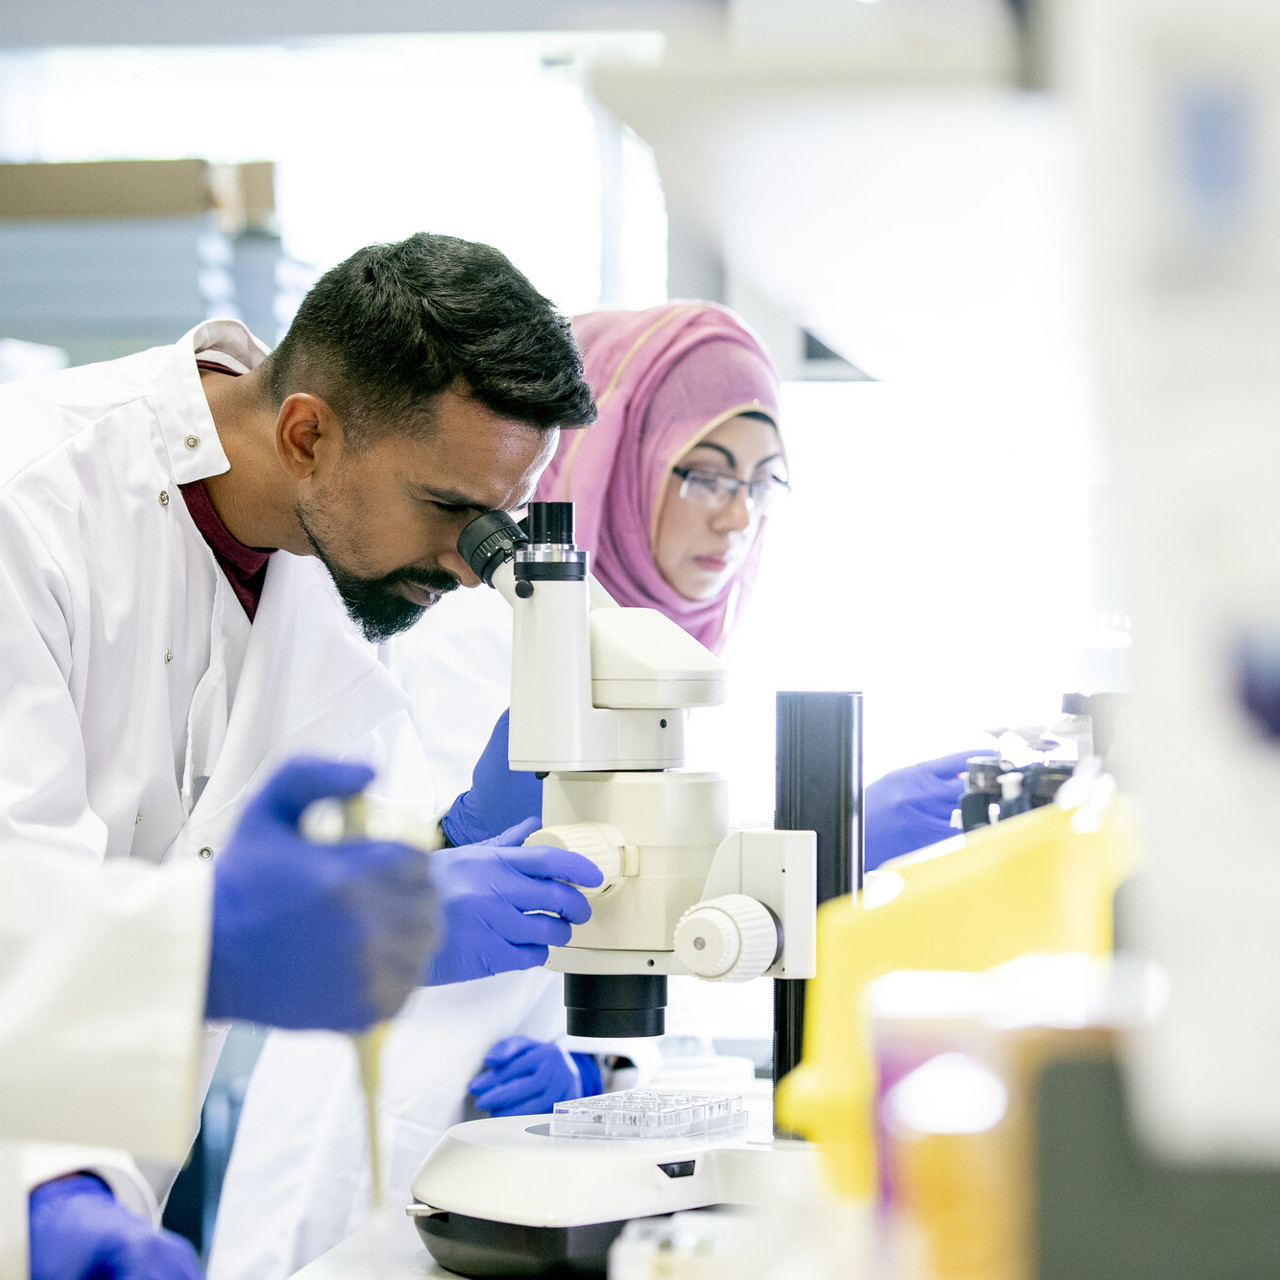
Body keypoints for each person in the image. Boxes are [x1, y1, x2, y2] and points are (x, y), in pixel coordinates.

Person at [211, 303, 972, 1277]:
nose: (736, 514)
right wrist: (453, 839)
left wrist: (602, 1068)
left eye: (761, 481)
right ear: (619, 454)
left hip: (542, 1134)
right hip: (375, 1104)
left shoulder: (661, 654)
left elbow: (647, 933)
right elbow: (397, 882)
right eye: (703, 472)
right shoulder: (481, 627)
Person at [0, 233, 604, 1272]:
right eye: (450, 509)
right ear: (307, 433)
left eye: (496, 521)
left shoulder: (329, 564)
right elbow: (23, 913)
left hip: (98, 1172)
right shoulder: (32, 502)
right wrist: (47, 1194)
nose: (471, 566)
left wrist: (437, 852)